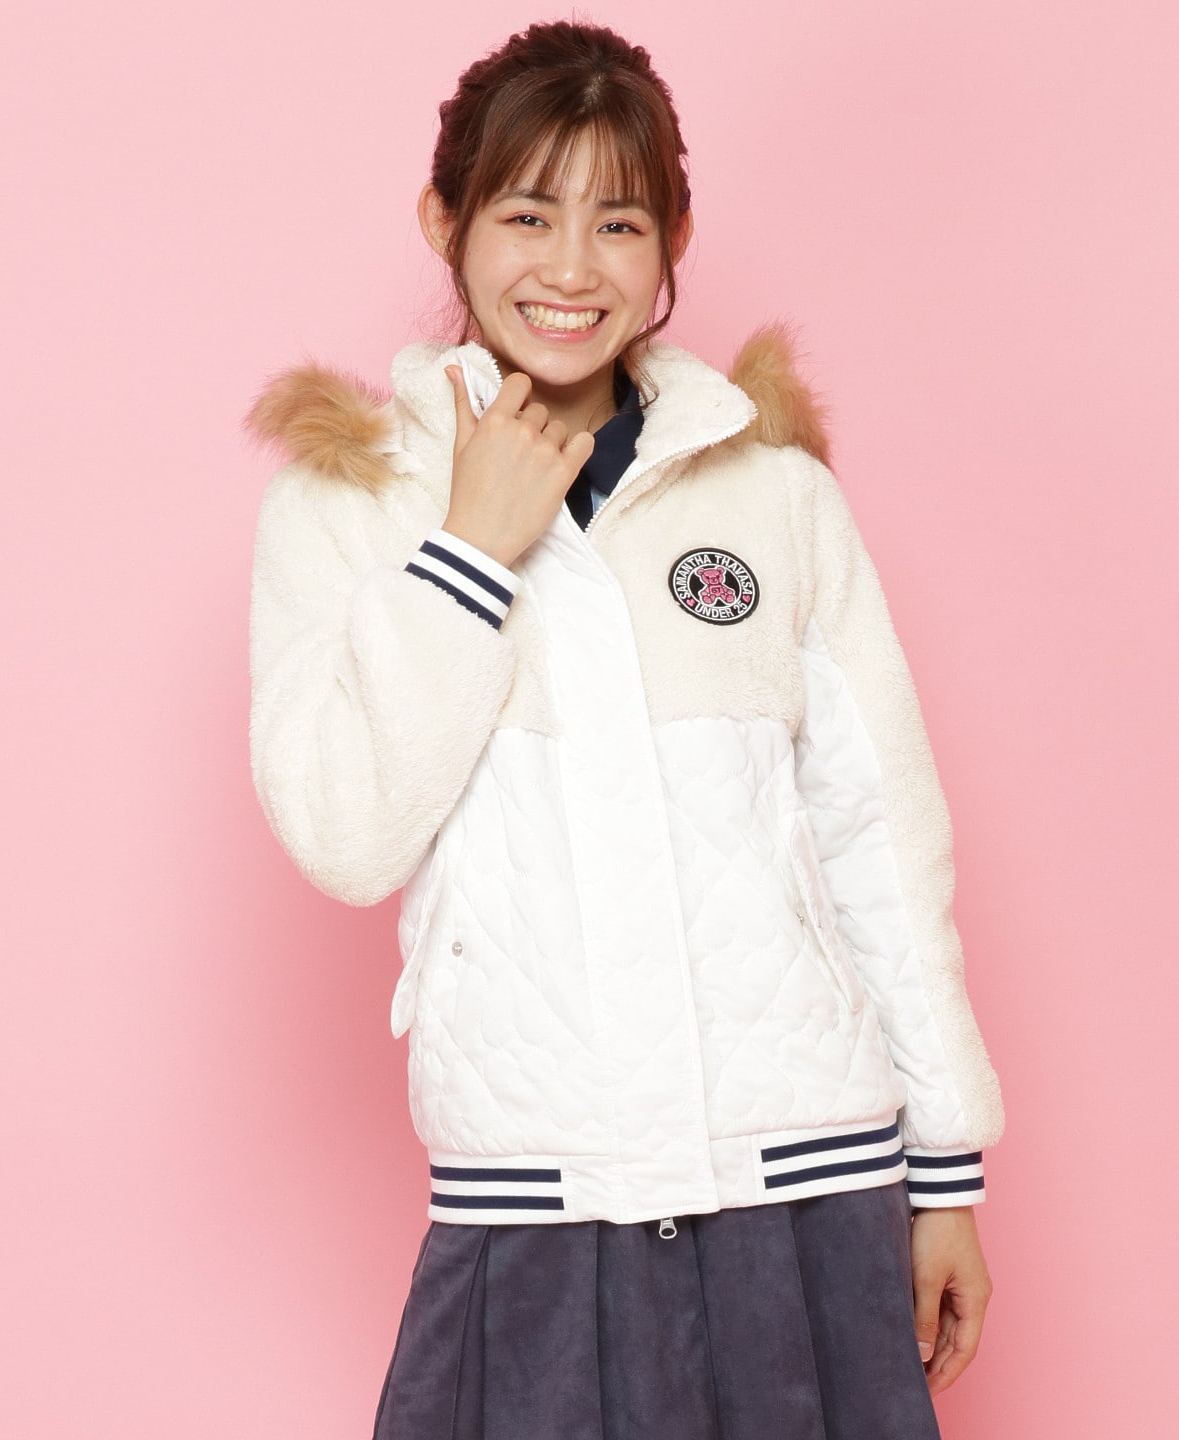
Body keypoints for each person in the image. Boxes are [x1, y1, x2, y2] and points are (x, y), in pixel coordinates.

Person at [245, 19, 1005, 1440]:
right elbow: (345, 835)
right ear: (447, 223)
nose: (572, 267)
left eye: (619, 221)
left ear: (672, 246)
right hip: (540, 1194)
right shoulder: (351, 504)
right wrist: (467, 555)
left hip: (810, 1185)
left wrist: (948, 1172)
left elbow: (881, 839)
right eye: (528, 214)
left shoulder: (771, 495)